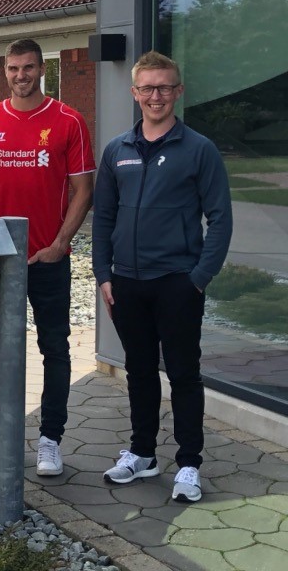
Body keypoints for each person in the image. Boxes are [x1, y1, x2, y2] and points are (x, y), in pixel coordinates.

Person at [93, 51, 232, 503]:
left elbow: (220, 218)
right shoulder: (117, 150)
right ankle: (142, 453)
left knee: (184, 374)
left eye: (165, 87)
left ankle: (189, 463)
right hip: (127, 283)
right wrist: (103, 273)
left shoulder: (199, 149)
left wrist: (199, 277)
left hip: (178, 281)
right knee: (138, 371)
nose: (157, 95)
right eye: (148, 88)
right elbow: (103, 217)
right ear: (135, 93)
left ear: (178, 91)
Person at [0, 38, 95, 477]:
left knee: (54, 347)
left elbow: (84, 190)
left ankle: (50, 439)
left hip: (48, 259)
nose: (20, 75)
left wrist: (60, 243)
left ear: (42, 69)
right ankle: (3, 431)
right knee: (0, 348)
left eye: (28, 67)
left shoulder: (68, 121)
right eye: (13, 68)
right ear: (5, 71)